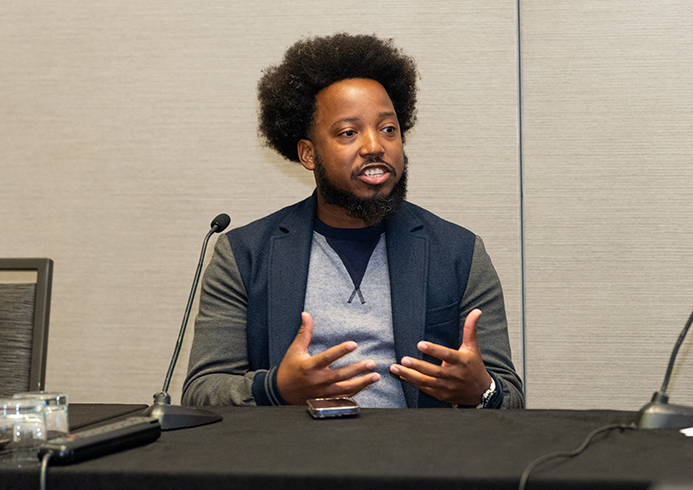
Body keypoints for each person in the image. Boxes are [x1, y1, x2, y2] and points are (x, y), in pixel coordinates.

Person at [182, 33, 524, 409]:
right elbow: (202, 391)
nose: (375, 146)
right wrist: (275, 389)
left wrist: (483, 391)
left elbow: (510, 396)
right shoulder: (244, 254)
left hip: (419, 460)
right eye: (349, 132)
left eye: (388, 129)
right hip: (292, 458)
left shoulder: (459, 252)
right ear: (308, 154)